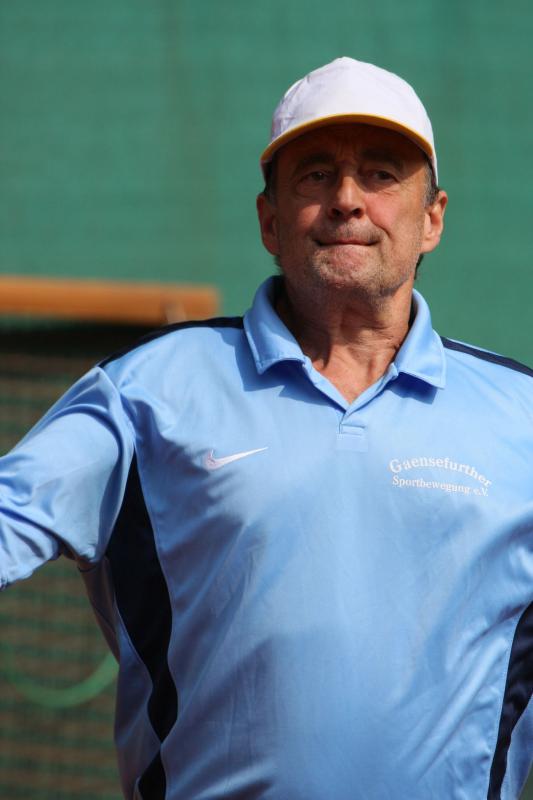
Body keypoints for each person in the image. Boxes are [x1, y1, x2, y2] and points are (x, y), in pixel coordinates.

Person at [1, 56, 532, 800]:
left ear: (432, 218)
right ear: (269, 220)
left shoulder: (521, 416)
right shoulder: (145, 392)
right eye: (315, 175)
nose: (347, 200)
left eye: (381, 174)